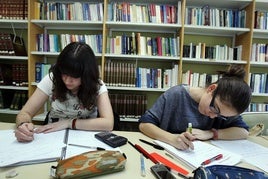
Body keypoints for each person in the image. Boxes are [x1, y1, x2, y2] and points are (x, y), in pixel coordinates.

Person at [15, 42, 114, 142]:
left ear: (86, 75)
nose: (67, 81)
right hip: (51, 136)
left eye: (74, 76)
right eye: (64, 74)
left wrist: (68, 123)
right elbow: (25, 113)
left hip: (85, 137)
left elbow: (108, 123)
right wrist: (23, 125)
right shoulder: (52, 79)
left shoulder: (97, 86)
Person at [139, 65, 252, 151]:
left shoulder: (224, 108)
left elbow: (243, 132)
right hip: (166, 153)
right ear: (211, 89)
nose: (213, 116)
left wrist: (211, 133)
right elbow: (144, 125)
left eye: (221, 116)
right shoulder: (176, 94)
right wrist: (172, 139)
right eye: (214, 109)